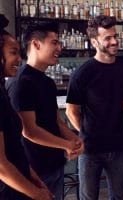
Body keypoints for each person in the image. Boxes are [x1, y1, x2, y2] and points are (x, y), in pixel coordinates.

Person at [6, 22, 84, 200]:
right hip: (34, 168)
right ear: (36, 44)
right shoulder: (21, 82)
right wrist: (66, 145)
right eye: (54, 42)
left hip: (55, 163)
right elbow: (29, 131)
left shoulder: (47, 82)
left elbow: (56, 121)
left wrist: (74, 139)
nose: (59, 47)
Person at [65, 15, 123, 200]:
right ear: (94, 42)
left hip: (119, 146)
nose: (114, 41)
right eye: (108, 38)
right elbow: (71, 111)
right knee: (89, 197)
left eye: (115, 36)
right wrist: (88, 131)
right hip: (90, 148)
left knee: (119, 196)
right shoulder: (82, 73)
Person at [0, 14, 53, 200]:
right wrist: (36, 194)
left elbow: (13, 148)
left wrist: (33, 178)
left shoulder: (2, 89)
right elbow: (1, 164)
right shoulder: (17, 84)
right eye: (13, 52)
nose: (19, 59)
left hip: (19, 186)